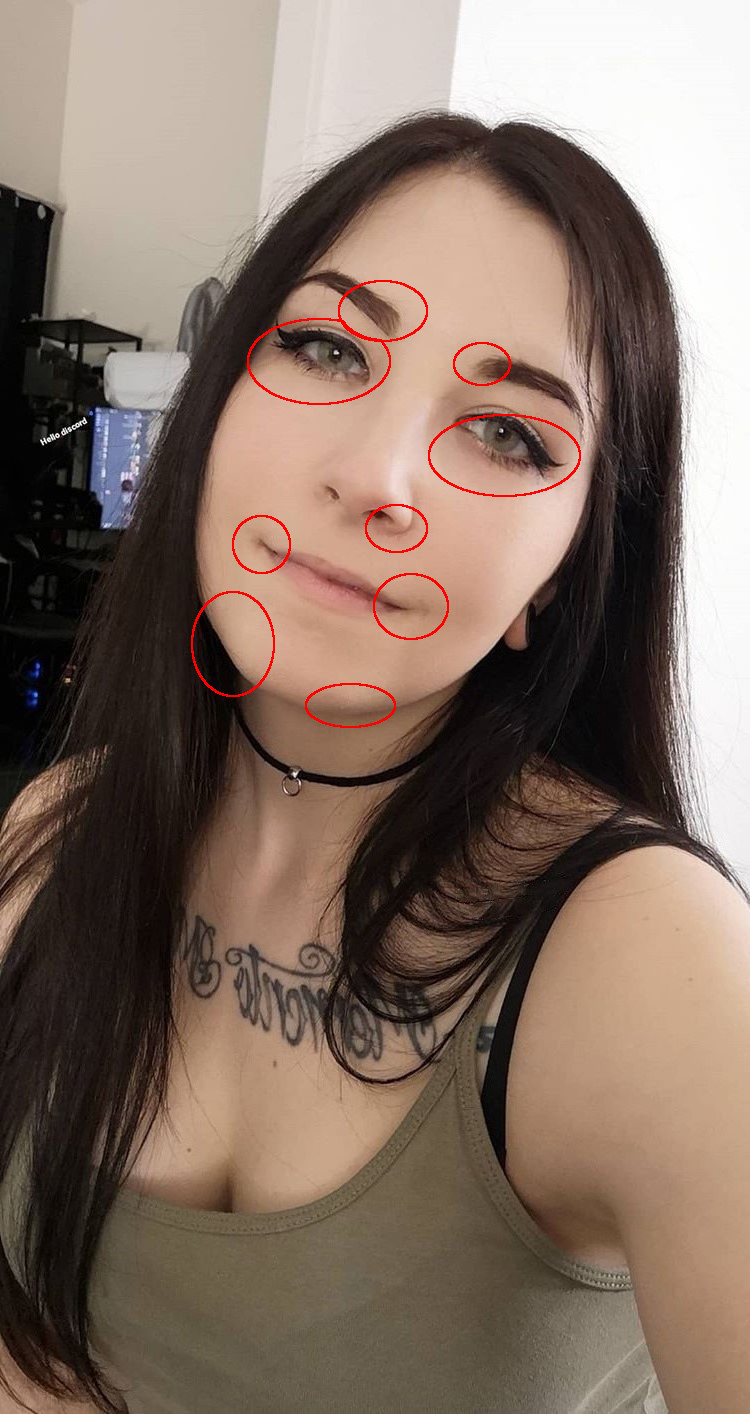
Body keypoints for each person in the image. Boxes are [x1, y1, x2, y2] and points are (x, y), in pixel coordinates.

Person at [0, 110, 749, 1414]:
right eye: (328, 347)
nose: (376, 478)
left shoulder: (648, 960)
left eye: (508, 433)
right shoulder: (55, 835)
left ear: (561, 573)